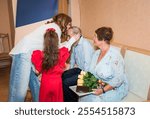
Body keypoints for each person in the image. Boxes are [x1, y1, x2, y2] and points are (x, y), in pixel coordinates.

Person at [9, 13, 72, 102]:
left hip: (28, 54)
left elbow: (53, 48)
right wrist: (71, 42)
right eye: (69, 24)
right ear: (63, 22)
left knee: (36, 87)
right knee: (18, 92)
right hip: (24, 53)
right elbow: (55, 51)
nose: (70, 27)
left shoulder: (53, 27)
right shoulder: (56, 29)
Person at [79, 27, 128, 102]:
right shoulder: (96, 53)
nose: (93, 38)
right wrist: (85, 84)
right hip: (98, 84)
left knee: (94, 101)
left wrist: (103, 90)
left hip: (112, 88)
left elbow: (118, 79)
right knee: (82, 96)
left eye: (95, 36)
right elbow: (91, 71)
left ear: (103, 40)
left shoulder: (115, 56)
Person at [31, 28, 79, 102]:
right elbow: (67, 46)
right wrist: (73, 39)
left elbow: (37, 71)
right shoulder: (60, 53)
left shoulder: (39, 55)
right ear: (57, 41)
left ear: (45, 42)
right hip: (57, 83)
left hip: (45, 82)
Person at [62, 26, 95, 102]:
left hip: (88, 73)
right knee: (63, 75)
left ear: (77, 35)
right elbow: (73, 60)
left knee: (66, 82)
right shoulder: (74, 44)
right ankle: (66, 99)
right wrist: (69, 71)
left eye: (69, 36)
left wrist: (84, 81)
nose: (68, 39)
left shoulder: (85, 45)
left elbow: (88, 65)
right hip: (79, 69)